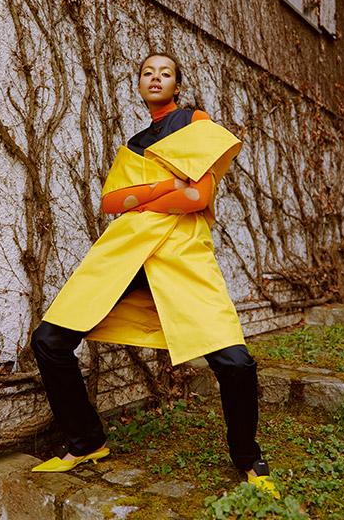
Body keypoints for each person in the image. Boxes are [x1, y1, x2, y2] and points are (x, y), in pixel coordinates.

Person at [29, 53, 278, 497]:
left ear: (177, 85)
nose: (156, 78)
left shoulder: (195, 122)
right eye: (148, 73)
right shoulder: (134, 143)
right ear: (140, 85)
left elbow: (199, 197)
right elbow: (111, 202)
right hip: (126, 251)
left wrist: (143, 198)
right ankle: (86, 440)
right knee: (49, 341)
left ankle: (248, 457)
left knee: (235, 363)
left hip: (181, 252)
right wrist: (168, 188)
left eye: (166, 72)